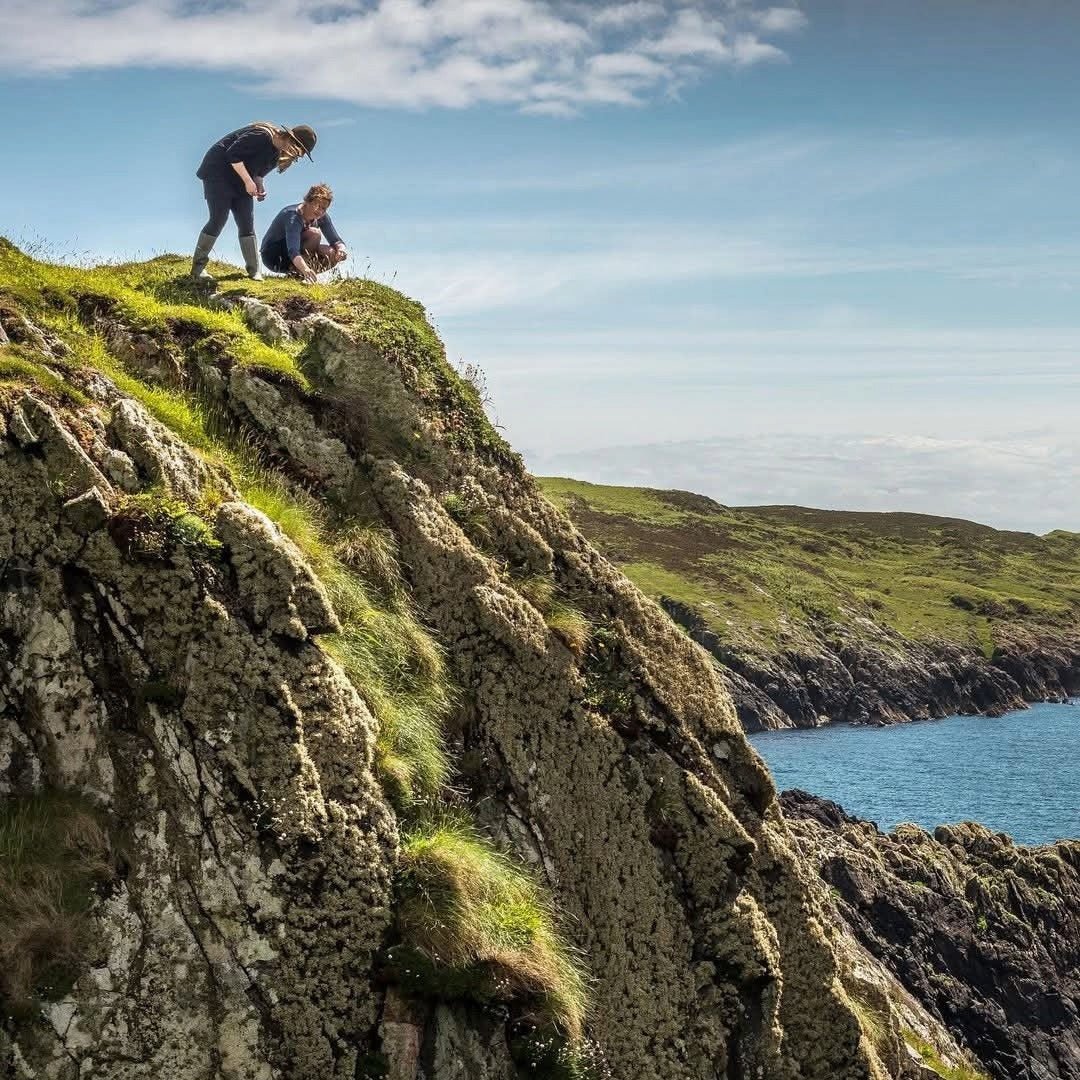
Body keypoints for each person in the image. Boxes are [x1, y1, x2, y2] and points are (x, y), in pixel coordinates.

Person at [190, 122, 317, 281]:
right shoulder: (262, 136)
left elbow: (258, 174)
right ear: (291, 139)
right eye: (299, 150)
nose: (297, 155)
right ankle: (197, 269)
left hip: (240, 179)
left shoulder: (276, 154)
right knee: (218, 218)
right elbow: (232, 154)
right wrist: (247, 181)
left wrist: (258, 185)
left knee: (246, 223)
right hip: (218, 172)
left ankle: (254, 271)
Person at [260, 184, 348, 285]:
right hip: (273, 255)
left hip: (296, 253)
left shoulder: (321, 217)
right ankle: (302, 272)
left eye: (324, 209)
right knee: (314, 234)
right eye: (318, 206)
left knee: (332, 253)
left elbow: (335, 240)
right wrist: (305, 269)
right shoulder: (293, 216)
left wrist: (341, 249)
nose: (320, 211)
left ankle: (299, 276)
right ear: (308, 201)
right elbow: (293, 250)